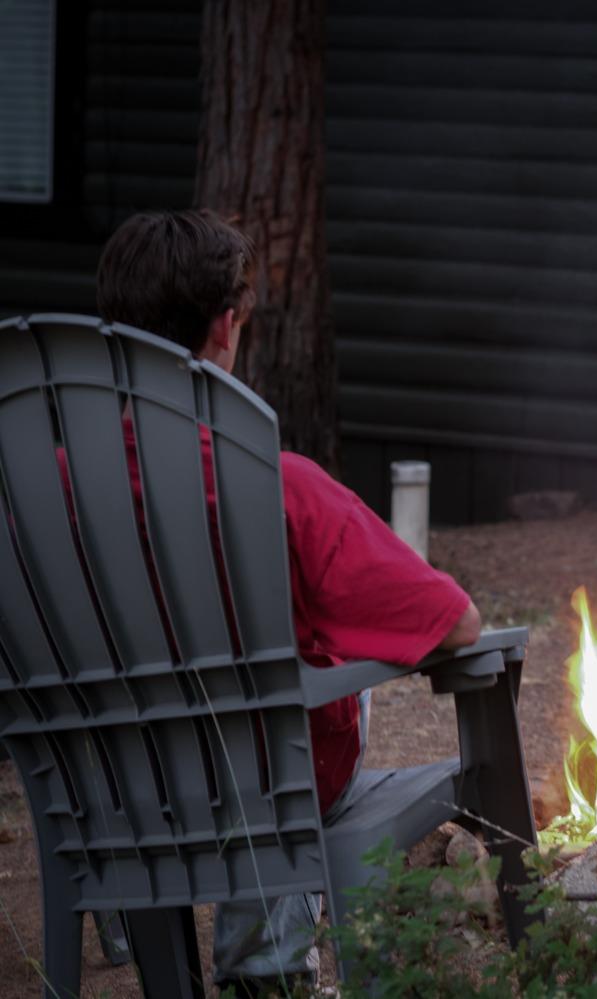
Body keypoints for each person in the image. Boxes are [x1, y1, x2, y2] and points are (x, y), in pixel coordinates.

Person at [95, 209, 483, 993]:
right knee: (293, 708)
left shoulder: (47, 489)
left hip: (113, 794)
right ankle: (266, 966)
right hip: (260, 786)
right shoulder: (279, 485)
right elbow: (458, 623)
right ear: (225, 327)